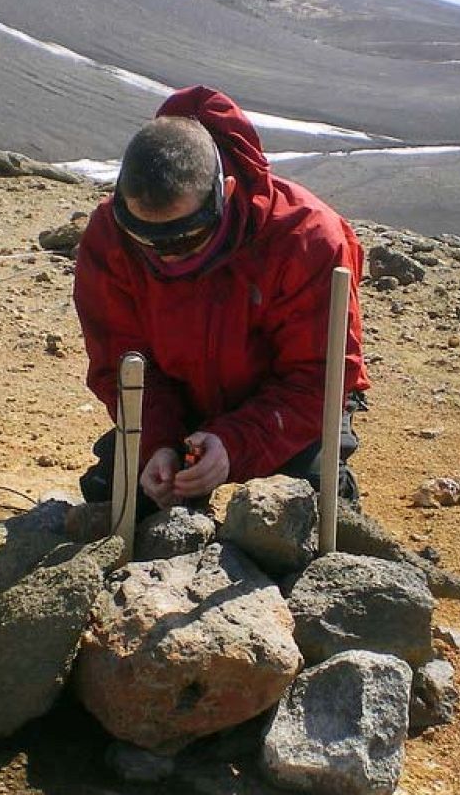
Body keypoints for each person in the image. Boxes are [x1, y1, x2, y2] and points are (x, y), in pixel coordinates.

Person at [73, 85, 368, 514]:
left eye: (186, 237)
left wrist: (234, 443)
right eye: (144, 238)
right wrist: (157, 442)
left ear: (224, 193)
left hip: (287, 406)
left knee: (306, 512)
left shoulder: (306, 239)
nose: (165, 254)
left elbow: (318, 378)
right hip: (181, 399)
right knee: (117, 498)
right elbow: (122, 361)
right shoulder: (109, 236)